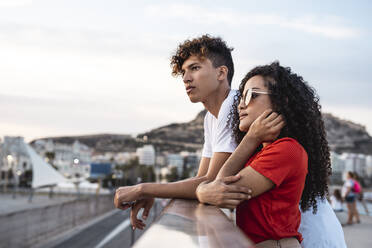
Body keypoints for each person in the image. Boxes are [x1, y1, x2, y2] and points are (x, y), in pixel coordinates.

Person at [114, 35, 346, 248]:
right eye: (183, 72)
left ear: (221, 72)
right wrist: (162, 191)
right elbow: (204, 182)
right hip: (275, 227)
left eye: (194, 68)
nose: (186, 78)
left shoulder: (235, 109)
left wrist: (145, 188)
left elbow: (214, 183)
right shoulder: (213, 118)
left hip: (305, 228)